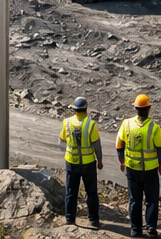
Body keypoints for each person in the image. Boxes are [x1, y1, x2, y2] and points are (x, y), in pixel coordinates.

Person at [116, 94, 161, 238]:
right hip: (150, 170)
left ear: (136, 108)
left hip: (132, 169)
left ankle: (136, 229)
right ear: (149, 108)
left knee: (134, 200)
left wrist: (122, 161)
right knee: (151, 200)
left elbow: (119, 145)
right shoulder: (154, 127)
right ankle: (151, 228)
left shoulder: (126, 124)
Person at [59, 96, 104, 227]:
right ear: (86, 109)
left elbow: (61, 142)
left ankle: (69, 219)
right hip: (88, 163)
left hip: (71, 162)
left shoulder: (67, 122)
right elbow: (97, 145)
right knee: (91, 193)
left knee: (71, 192)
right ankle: (94, 219)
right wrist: (99, 160)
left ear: (74, 109)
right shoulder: (91, 125)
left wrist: (67, 153)